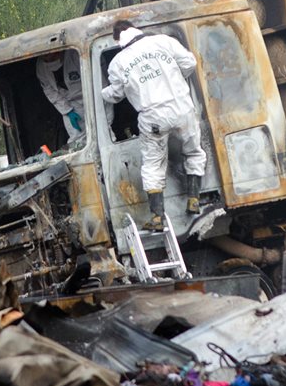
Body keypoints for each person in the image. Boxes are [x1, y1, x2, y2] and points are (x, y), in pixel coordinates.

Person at [102, 20, 206, 230]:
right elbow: (189, 63)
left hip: (153, 117)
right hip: (182, 107)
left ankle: (158, 217)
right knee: (194, 151)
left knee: (153, 165)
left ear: (117, 39)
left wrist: (103, 94)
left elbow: (116, 94)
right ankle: (194, 199)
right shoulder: (163, 41)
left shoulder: (118, 62)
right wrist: (174, 80)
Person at [36, 51, 84, 143]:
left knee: (103, 129)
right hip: (69, 102)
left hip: (89, 96)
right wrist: (68, 111)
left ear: (59, 52)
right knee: (77, 139)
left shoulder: (75, 54)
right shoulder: (41, 66)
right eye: (46, 57)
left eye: (52, 57)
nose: (49, 59)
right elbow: (49, 90)